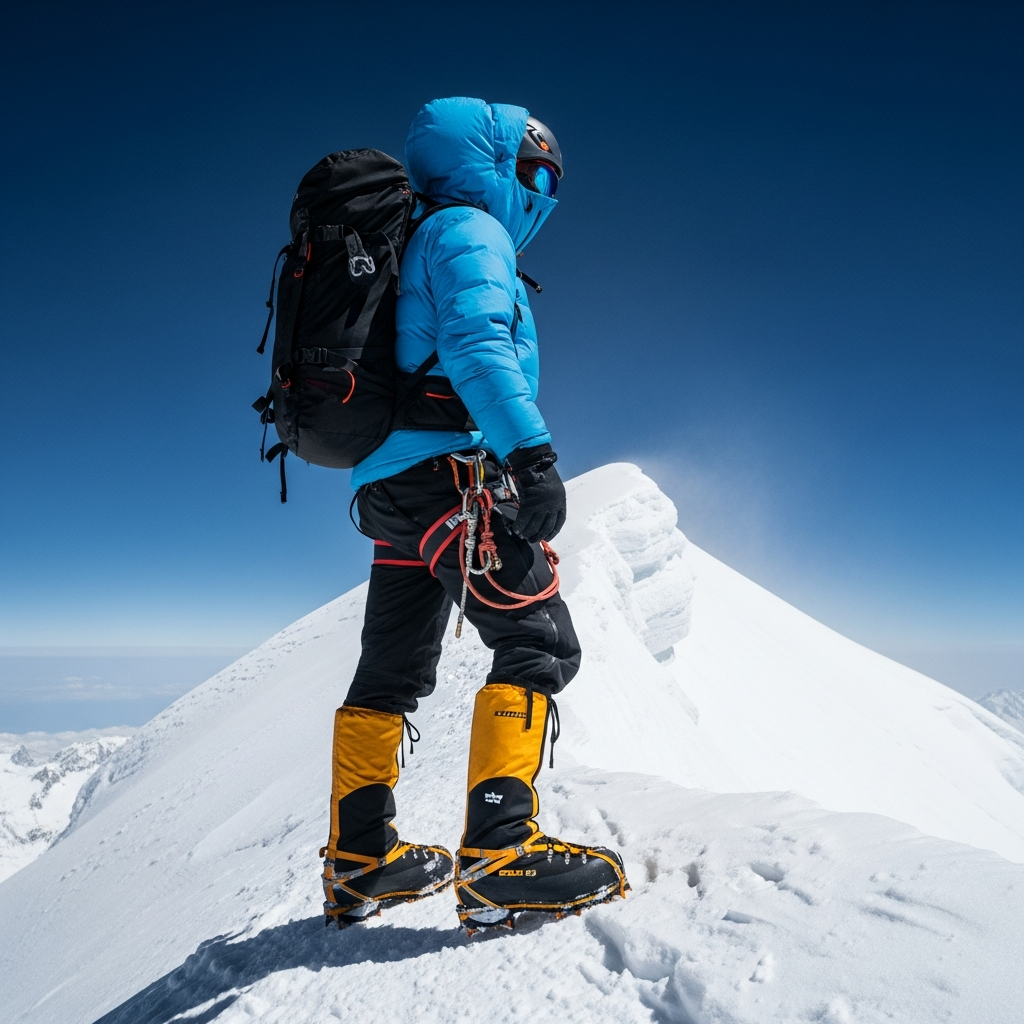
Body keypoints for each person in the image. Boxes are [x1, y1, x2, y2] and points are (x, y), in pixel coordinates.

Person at [321, 97, 629, 932]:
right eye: (536, 174)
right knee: (539, 638)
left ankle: (360, 863)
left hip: (388, 494)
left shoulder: (411, 234)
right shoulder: (467, 231)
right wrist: (532, 456)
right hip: (449, 479)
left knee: (389, 672)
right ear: (495, 167)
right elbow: (477, 345)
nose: (545, 194)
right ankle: (499, 856)